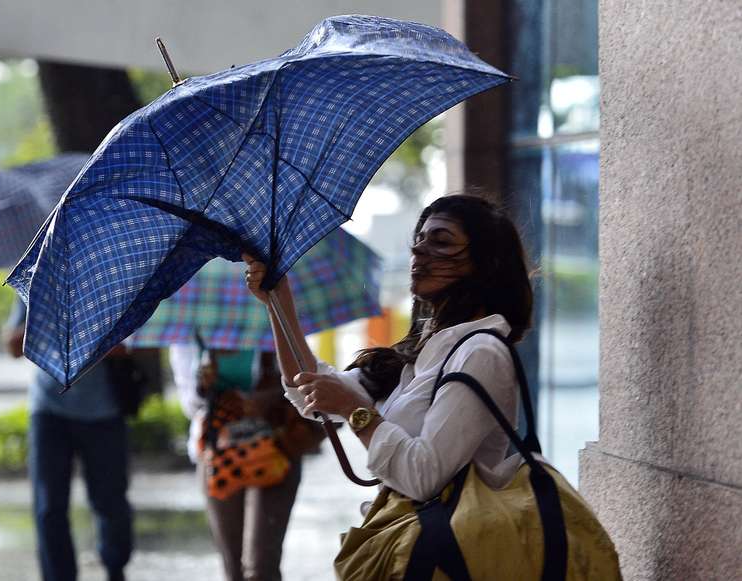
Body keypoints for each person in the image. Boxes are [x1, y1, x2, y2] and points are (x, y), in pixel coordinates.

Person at [242, 193, 532, 507]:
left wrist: (354, 410)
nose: (418, 249)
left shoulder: (480, 353)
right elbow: (309, 392)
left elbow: (423, 477)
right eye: (420, 238)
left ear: (486, 264)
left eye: (442, 242)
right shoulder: (425, 352)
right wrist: (278, 301)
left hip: (456, 548)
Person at [4, 299, 133, 581]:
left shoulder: (114, 279)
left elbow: (132, 346)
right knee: (48, 506)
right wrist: (47, 327)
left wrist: (88, 336)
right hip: (47, 408)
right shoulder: (37, 281)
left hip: (104, 410)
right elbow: (13, 345)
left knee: (110, 501)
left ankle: (115, 569)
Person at [169, 344, 313, 581]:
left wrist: (270, 396)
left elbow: (303, 379)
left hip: (275, 449)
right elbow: (191, 404)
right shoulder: (191, 333)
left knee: (261, 566)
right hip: (218, 454)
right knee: (233, 566)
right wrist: (203, 383)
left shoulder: (272, 319)